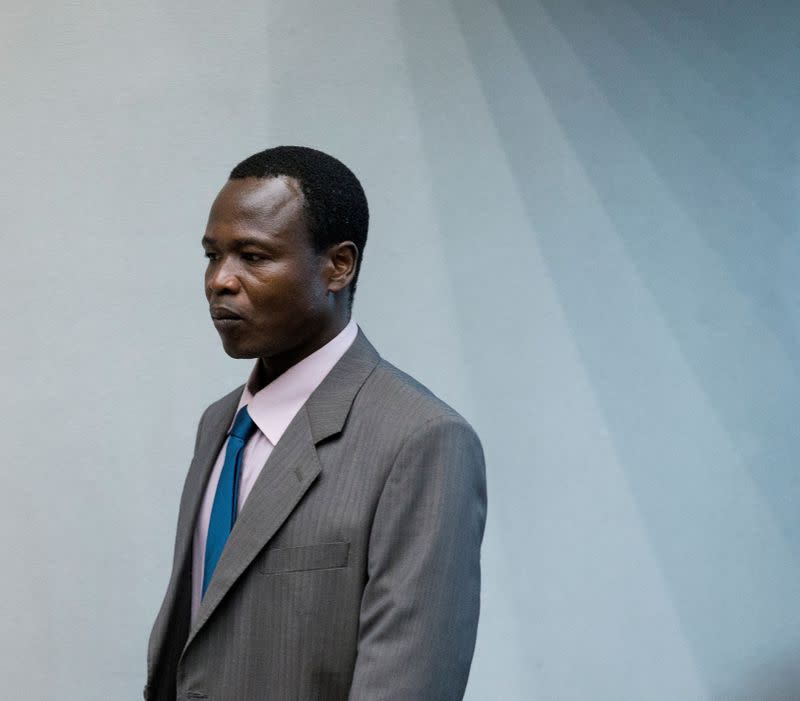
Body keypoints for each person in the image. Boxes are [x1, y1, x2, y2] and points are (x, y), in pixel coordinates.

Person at [145, 146, 487, 700]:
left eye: (252, 257)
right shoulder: (220, 426)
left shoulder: (421, 440)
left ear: (339, 265)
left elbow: (407, 683)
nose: (219, 281)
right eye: (212, 256)